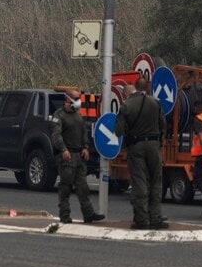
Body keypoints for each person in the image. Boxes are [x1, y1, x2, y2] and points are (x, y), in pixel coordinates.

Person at [115, 76, 167, 229]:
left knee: (139, 181)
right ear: (146, 88)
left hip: (136, 147)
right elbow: (163, 125)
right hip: (154, 145)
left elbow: (118, 131)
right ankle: (156, 217)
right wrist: (160, 143)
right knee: (156, 181)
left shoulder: (126, 106)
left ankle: (142, 219)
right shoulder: (155, 103)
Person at [50, 89, 103, 224]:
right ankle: (65, 215)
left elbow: (84, 132)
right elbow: (56, 135)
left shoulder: (78, 115)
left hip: (79, 156)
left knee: (83, 187)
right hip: (67, 157)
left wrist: (85, 147)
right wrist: (63, 150)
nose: (79, 100)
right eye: (75, 98)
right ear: (67, 99)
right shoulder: (59, 115)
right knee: (65, 186)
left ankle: (88, 213)